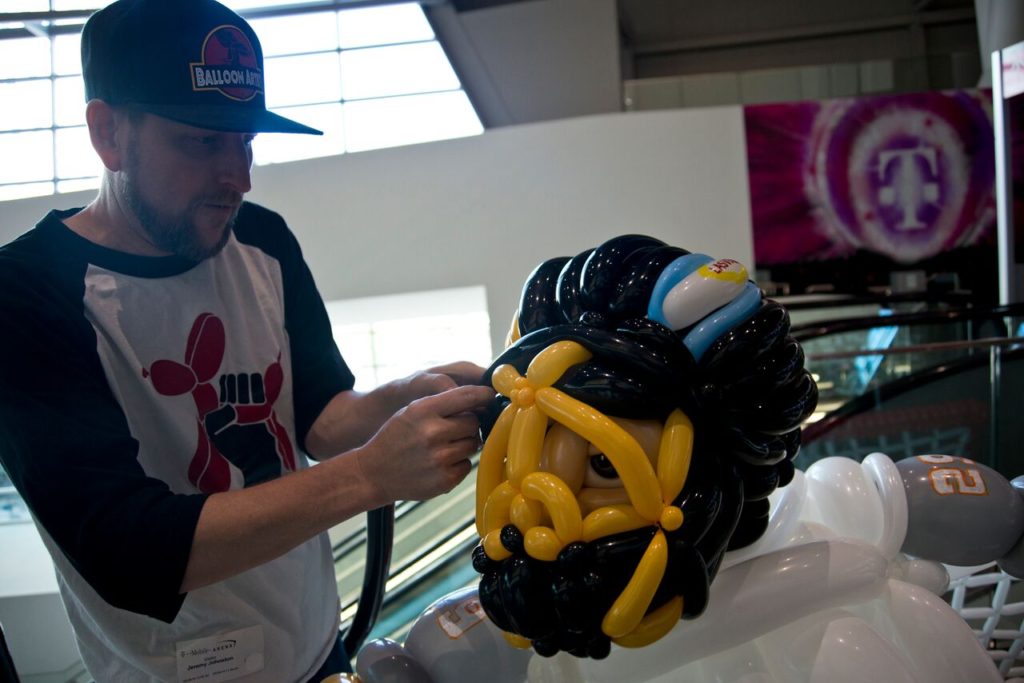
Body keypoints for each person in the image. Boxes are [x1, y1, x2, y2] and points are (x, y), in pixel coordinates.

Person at [0, 0, 494, 681]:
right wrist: (370, 475)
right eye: (204, 142)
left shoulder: (262, 238)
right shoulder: (28, 293)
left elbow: (318, 416)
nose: (239, 175)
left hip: (316, 645)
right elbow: (126, 551)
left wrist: (404, 400)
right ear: (108, 133)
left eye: (246, 141)